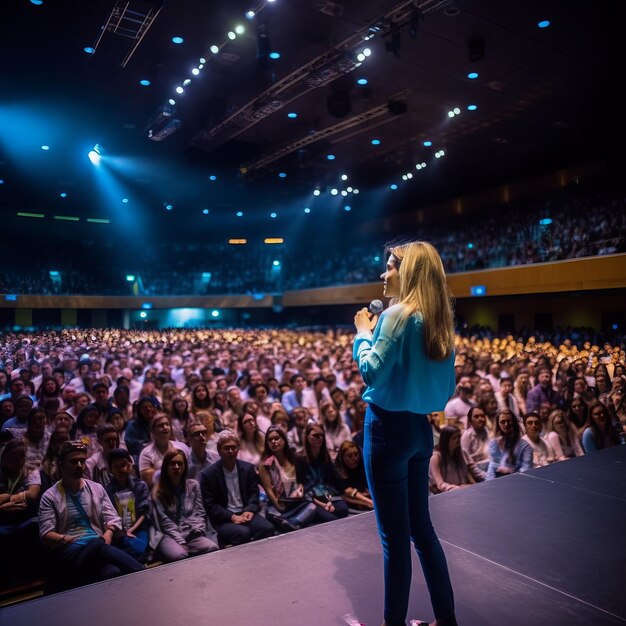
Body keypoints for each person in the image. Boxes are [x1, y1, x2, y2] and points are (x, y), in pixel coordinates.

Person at [353, 240, 458, 626]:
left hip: (386, 431)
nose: (384, 273)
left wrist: (363, 333)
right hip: (419, 431)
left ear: (408, 271)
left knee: (394, 541)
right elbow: (446, 391)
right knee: (423, 533)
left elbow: (371, 371)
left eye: (391, 266)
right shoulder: (439, 320)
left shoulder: (395, 315)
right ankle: (448, 620)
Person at [38, 441, 143, 590]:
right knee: (98, 544)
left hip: (97, 549)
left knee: (113, 572)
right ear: (61, 464)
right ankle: (142, 572)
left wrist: (108, 533)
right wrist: (62, 538)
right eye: (74, 461)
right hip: (71, 552)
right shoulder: (50, 496)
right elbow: (45, 533)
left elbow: (112, 518)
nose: (80, 465)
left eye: (82, 460)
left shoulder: (96, 488)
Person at [199, 431, 274, 547]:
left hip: (245, 512)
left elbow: (254, 495)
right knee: (243, 533)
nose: (230, 451)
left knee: (267, 528)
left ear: (238, 449)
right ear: (219, 451)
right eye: (226, 448)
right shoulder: (208, 475)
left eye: (233, 447)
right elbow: (211, 506)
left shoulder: (248, 468)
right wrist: (232, 516)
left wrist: (249, 510)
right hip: (224, 518)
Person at [151, 449, 218, 562]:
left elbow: (200, 513)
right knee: (179, 556)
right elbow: (164, 522)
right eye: (172, 463)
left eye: (180, 463)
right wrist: (180, 539)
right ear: (165, 467)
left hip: (192, 532)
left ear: (185, 467)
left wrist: (197, 530)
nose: (176, 467)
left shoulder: (193, 486)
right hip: (168, 535)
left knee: (212, 547)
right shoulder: (158, 492)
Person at [258, 425, 316, 532]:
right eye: (270, 440)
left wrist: (301, 486)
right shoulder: (265, 465)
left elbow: (302, 481)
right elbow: (268, 490)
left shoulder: (296, 459)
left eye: (277, 438)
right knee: (272, 514)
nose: (274, 442)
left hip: (295, 500)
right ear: (267, 444)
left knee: (312, 507)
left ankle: (292, 523)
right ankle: (292, 522)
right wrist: (278, 505)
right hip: (280, 503)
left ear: (284, 440)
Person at [105, 448, 151, 562]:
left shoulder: (140, 485)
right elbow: (109, 515)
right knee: (128, 544)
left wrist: (130, 530)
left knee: (138, 546)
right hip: (119, 531)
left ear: (130, 465)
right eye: (116, 466)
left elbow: (144, 513)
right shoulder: (108, 490)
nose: (121, 469)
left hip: (139, 528)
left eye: (124, 465)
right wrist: (122, 531)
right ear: (110, 470)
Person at [429, 426, 483, 493]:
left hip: (465, 491)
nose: (458, 440)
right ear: (446, 440)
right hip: (448, 494)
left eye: (459, 437)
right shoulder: (436, 457)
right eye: (454, 438)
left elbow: (473, 470)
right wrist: (458, 488)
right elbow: (440, 484)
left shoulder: (462, 452)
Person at [486, 411, 533, 479]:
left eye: (508, 421)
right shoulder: (495, 444)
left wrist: (511, 472)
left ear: (514, 422)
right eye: (502, 422)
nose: (506, 424)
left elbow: (526, 471)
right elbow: (492, 468)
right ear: (498, 424)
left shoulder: (525, 447)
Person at [332, 440, 373, 510]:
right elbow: (345, 495)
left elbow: (365, 491)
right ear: (342, 457)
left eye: (356, 454)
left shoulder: (360, 464)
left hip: (360, 497)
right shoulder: (336, 471)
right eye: (350, 456)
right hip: (341, 500)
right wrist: (368, 502)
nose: (355, 458)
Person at [459, 407, 490, 475]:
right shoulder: (466, 436)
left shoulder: (487, 431)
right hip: (476, 469)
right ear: (470, 421)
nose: (480, 419)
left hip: (489, 465)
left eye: (482, 416)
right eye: (476, 416)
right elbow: (465, 461)